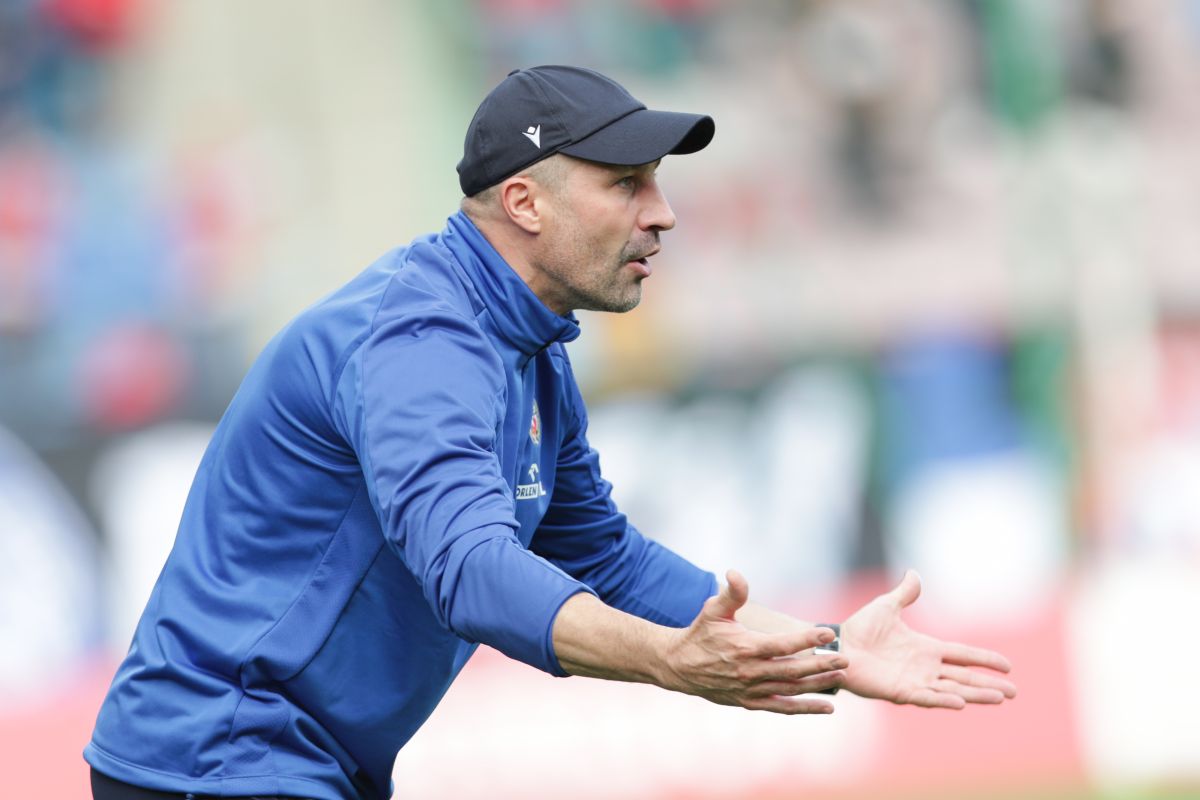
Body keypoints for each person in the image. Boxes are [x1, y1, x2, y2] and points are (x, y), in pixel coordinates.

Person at [84, 65, 1016, 800]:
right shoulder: (423, 340)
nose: (663, 212)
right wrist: (672, 665)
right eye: (627, 183)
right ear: (526, 204)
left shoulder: (525, 343)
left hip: (275, 762)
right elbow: (472, 572)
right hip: (220, 757)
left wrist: (828, 651)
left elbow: (605, 559)